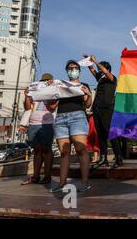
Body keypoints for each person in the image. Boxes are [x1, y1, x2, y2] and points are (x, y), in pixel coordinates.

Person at [51, 60, 93, 193]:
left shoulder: (83, 85)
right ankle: (61, 184)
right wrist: (49, 90)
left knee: (81, 149)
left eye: (75, 68)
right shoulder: (60, 85)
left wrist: (89, 94)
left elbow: (87, 105)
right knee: (64, 153)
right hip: (61, 119)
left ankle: (85, 183)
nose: (72, 70)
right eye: (70, 68)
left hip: (78, 118)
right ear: (66, 71)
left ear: (79, 70)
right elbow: (52, 106)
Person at [85, 56, 124, 169]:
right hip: (97, 109)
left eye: (101, 70)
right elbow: (92, 69)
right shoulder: (101, 79)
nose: (99, 72)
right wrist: (88, 61)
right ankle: (103, 159)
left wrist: (96, 61)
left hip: (107, 109)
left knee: (110, 133)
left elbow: (104, 71)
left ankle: (119, 158)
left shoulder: (112, 78)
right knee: (101, 135)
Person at [20, 73, 59, 185]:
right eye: (43, 81)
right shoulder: (35, 92)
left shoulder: (54, 93)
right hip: (33, 124)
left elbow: (52, 108)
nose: (44, 83)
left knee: (46, 150)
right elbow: (27, 107)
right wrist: (27, 95)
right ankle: (35, 176)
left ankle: (47, 176)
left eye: (47, 81)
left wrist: (46, 95)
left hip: (47, 123)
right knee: (37, 150)